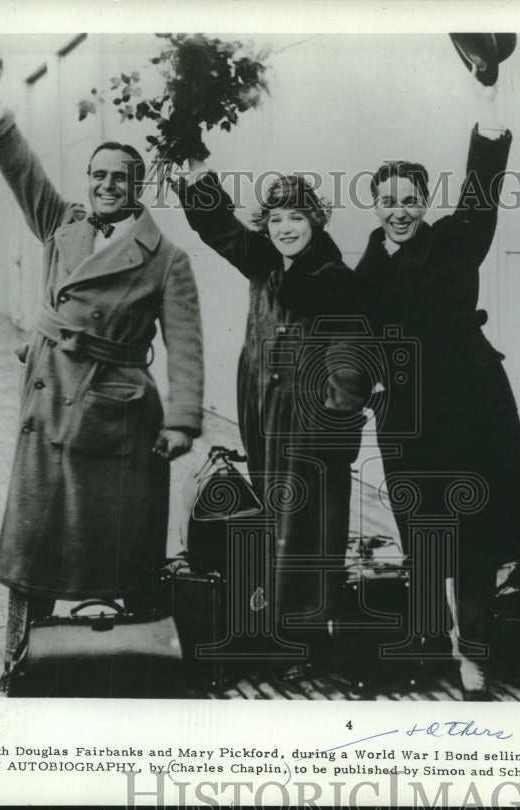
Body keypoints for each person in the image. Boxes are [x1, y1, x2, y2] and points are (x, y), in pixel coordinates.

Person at [0, 49, 204, 682]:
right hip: (49, 404)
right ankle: (20, 662)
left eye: (118, 178)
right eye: (97, 176)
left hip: (118, 413)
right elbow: (21, 168)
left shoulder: (166, 257)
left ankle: (137, 660)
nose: (104, 186)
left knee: (124, 546)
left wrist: (182, 419)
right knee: (33, 538)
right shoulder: (60, 225)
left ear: (138, 186)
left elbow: (185, 341)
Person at [355, 71, 520, 699]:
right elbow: (357, 330)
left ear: (425, 202)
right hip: (405, 414)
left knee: (474, 537)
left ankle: (476, 656)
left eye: (410, 200)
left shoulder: (457, 242)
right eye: (389, 200)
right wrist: (370, 383)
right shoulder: (370, 259)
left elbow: (482, 188)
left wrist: (489, 109)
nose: (400, 211)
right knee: (421, 530)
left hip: (468, 406)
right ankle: (431, 639)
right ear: (376, 204)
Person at [173, 157, 369, 680]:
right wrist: (196, 176)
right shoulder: (265, 262)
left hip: (308, 425)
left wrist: (332, 428)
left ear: (316, 224)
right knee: (276, 523)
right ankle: (282, 629)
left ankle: (305, 640)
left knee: (309, 530)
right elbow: (221, 229)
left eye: (297, 220)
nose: (285, 229)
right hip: (263, 414)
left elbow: (350, 364)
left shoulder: (334, 281)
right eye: (277, 219)